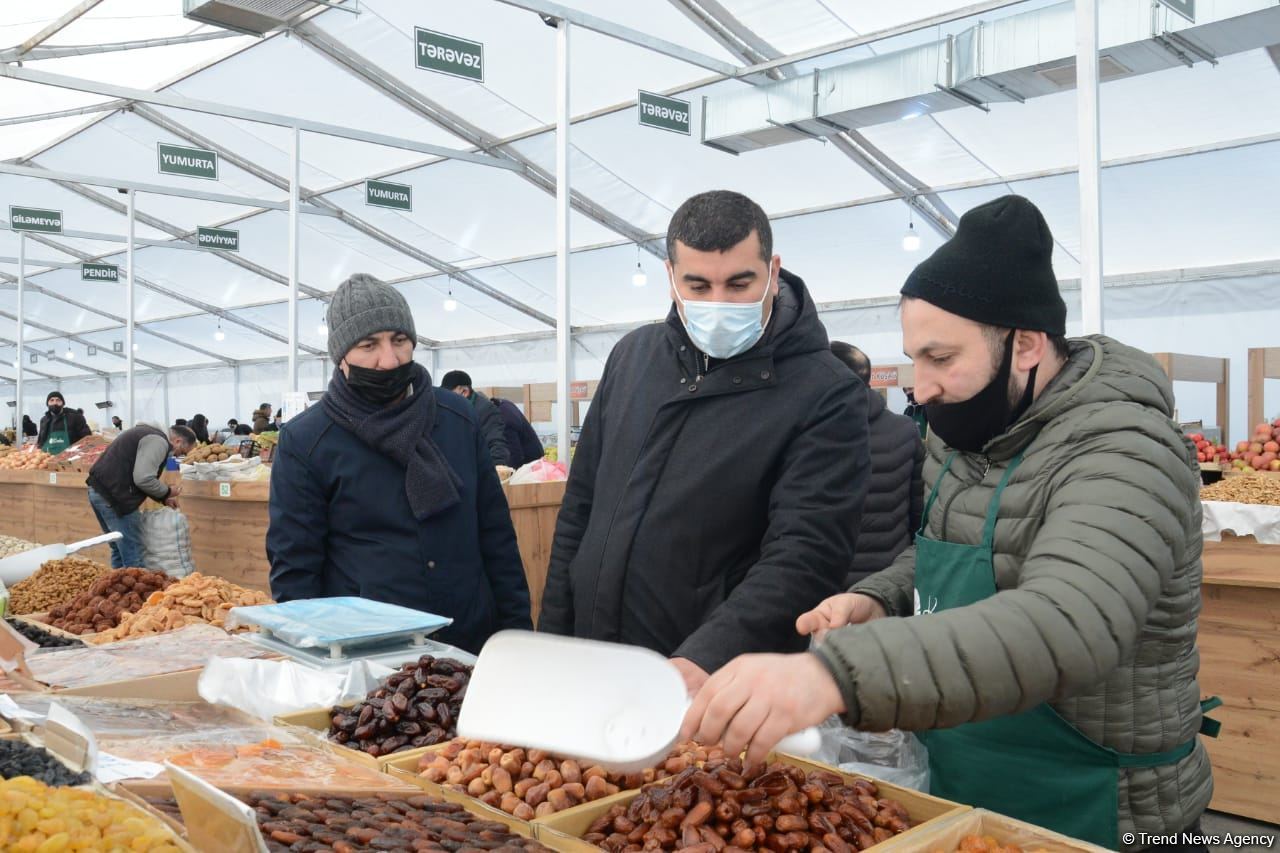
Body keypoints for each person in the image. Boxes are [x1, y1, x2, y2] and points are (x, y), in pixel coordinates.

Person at [680, 196, 1213, 851]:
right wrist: (883, 595)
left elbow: (1070, 621)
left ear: (1025, 343)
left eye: (940, 357)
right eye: (913, 357)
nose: (920, 386)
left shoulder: (1124, 449)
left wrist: (833, 674)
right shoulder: (967, 434)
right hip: (963, 789)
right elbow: (954, 552)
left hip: (1101, 810)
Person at [539, 190, 870, 693]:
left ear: (773, 271)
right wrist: (555, 638)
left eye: (740, 283)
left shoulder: (823, 392)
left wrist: (705, 657)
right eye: (698, 284)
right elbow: (581, 509)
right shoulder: (633, 358)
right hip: (596, 659)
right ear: (671, 278)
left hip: (713, 683)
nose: (719, 303)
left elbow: (806, 553)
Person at [267, 273, 532, 653]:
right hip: (371, 655)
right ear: (341, 354)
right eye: (368, 344)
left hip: (469, 638)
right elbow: (296, 572)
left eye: (400, 340)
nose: (388, 360)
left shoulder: (456, 418)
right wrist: (315, 662)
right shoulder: (308, 440)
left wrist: (517, 636)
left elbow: (496, 536)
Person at [830, 342, 924, 586]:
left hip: (824, 588)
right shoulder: (904, 430)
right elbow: (918, 515)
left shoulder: (806, 434)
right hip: (889, 584)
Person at [86, 424, 195, 569]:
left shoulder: (147, 434)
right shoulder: (158, 442)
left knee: (119, 549)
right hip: (117, 497)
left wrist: (163, 498)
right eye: (181, 451)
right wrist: (168, 491)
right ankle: (135, 591)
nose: (177, 456)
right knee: (133, 555)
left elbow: (140, 474)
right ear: (177, 441)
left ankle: (117, 589)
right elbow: (143, 479)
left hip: (100, 491)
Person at [440, 371, 510, 467]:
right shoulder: (455, 409)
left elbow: (496, 443)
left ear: (464, 392)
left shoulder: (486, 410)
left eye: (450, 394)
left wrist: (496, 470)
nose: (446, 398)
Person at [491, 395, 544, 469]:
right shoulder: (503, 403)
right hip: (534, 456)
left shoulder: (504, 420)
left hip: (529, 464)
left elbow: (515, 455)